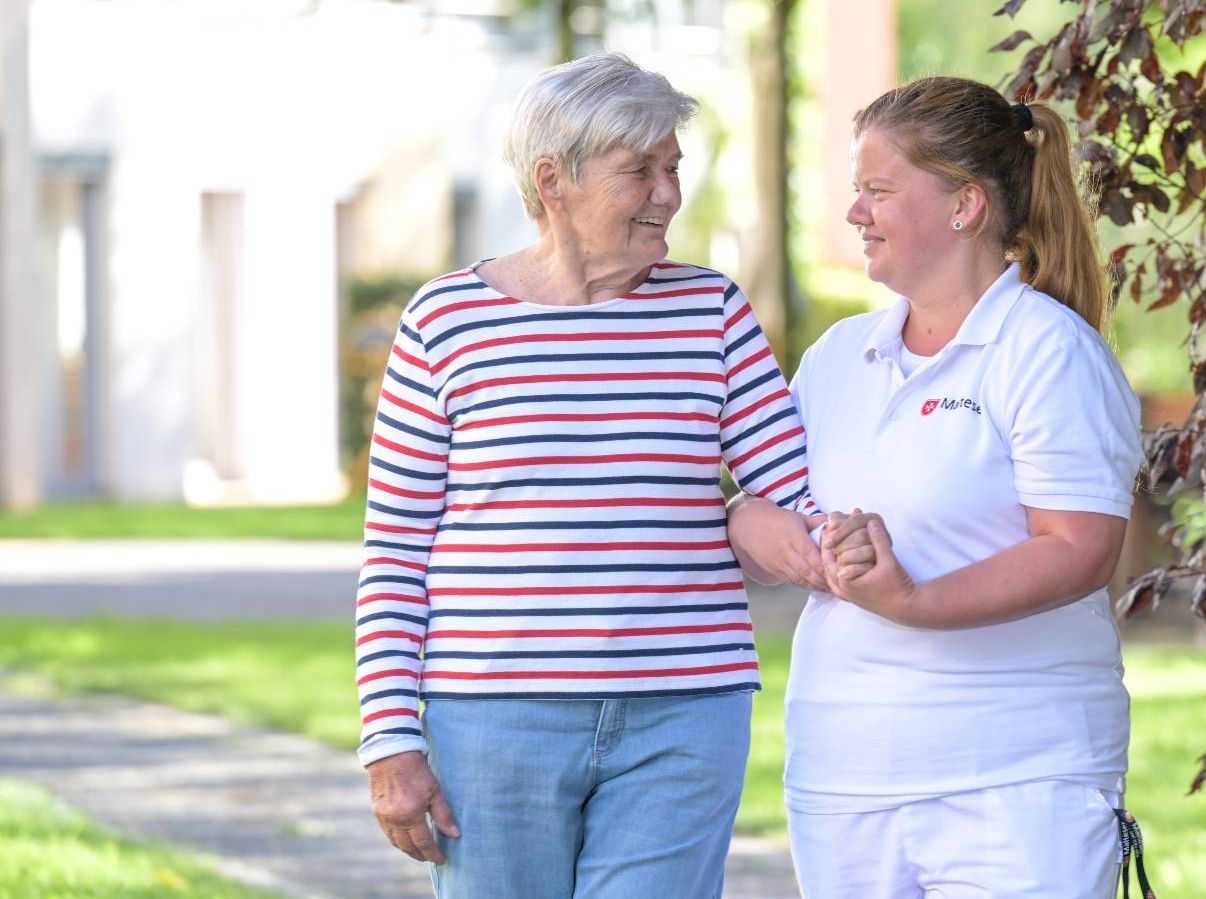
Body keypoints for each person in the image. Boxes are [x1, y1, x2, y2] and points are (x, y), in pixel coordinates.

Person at [355, 53, 824, 899]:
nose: (668, 193)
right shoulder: (445, 322)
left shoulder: (710, 312)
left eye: (674, 167)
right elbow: (395, 549)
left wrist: (826, 538)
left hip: (684, 711)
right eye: (639, 170)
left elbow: (791, 488)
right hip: (494, 719)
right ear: (553, 180)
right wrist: (390, 737)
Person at [727, 76, 1148, 898]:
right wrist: (768, 533)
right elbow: (762, 512)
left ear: (965, 206)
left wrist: (912, 599)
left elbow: (1078, 550)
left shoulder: (1049, 352)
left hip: (1018, 781)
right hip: (844, 777)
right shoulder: (838, 356)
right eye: (856, 190)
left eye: (877, 190)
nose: (855, 213)